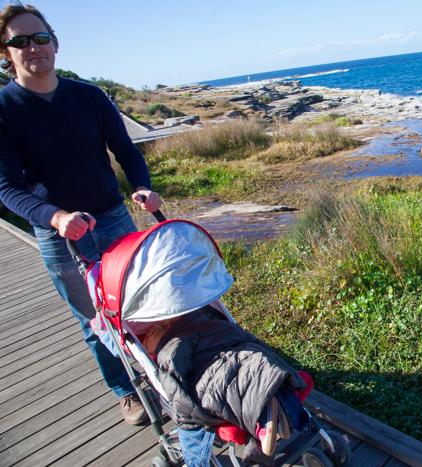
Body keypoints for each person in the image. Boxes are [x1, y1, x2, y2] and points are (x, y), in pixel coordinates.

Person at [0, 3, 162, 425]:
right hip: (58, 236)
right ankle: (126, 390)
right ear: (6, 53)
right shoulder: (4, 109)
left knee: (142, 304)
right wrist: (54, 217)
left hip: (114, 219)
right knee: (94, 320)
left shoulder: (88, 95)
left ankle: (162, 375)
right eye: (19, 41)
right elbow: (7, 188)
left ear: (54, 43)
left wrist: (141, 186)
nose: (32, 47)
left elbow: (126, 151)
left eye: (39, 38)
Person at [141, 305, 311, 467]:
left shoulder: (165, 350)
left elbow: (181, 400)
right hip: (228, 343)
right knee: (255, 365)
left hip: (206, 358)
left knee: (215, 387)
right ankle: (275, 406)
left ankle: (263, 423)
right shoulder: (201, 312)